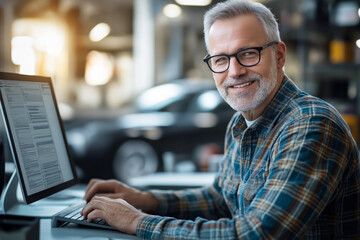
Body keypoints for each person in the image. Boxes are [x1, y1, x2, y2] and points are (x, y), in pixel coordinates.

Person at [81, 0, 360, 238]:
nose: (234, 71)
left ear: (279, 55)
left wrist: (135, 221)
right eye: (220, 59)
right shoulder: (240, 123)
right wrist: (145, 199)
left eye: (248, 53)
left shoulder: (311, 124)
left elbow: (256, 234)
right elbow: (220, 200)